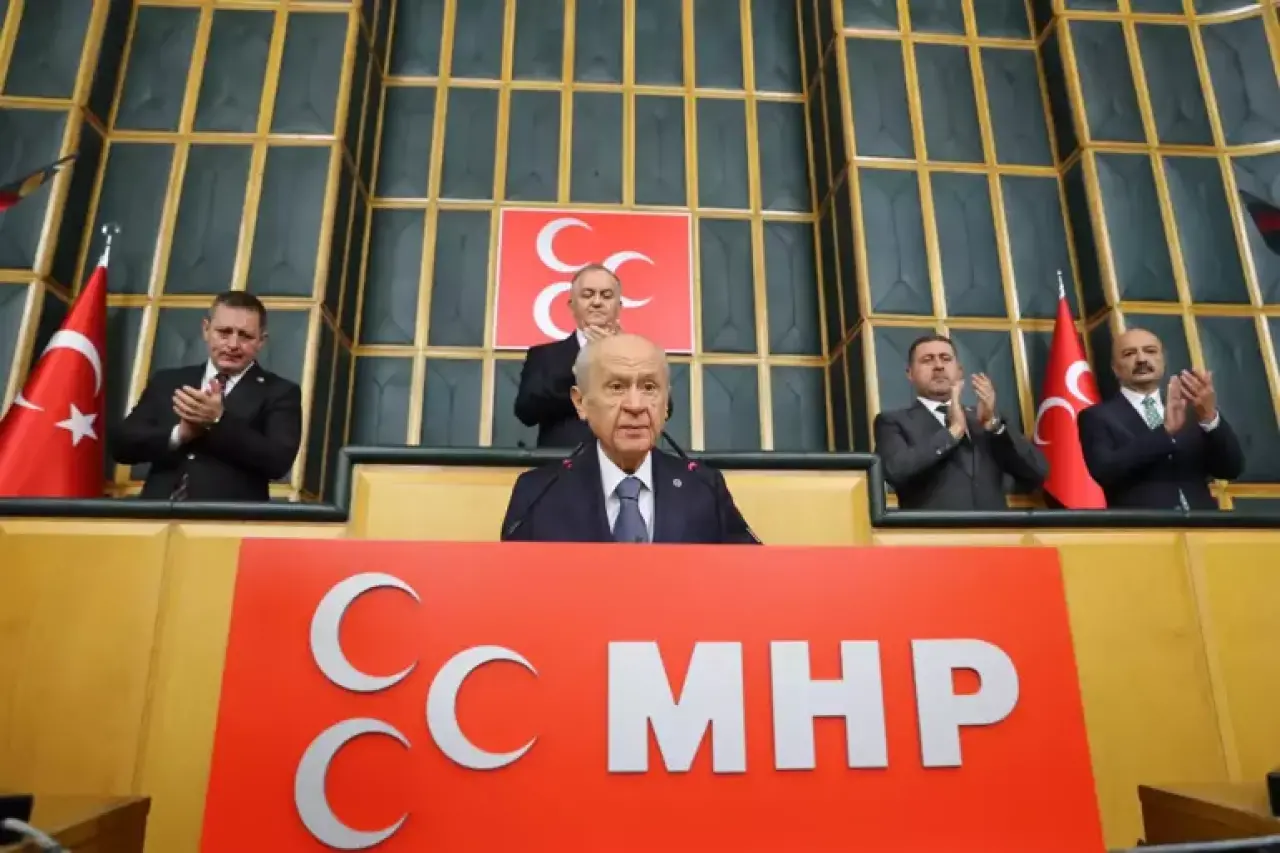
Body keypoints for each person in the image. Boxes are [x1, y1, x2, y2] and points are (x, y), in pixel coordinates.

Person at [500, 332, 757, 544]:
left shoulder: (705, 488)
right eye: (616, 387)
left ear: (665, 403)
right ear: (581, 402)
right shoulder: (537, 494)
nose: (635, 405)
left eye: (649, 388)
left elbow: (749, 574)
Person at [111, 291, 302, 501]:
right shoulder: (168, 381)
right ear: (206, 329)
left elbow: (278, 462)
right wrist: (179, 434)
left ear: (261, 341)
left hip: (228, 517)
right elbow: (121, 446)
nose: (233, 344)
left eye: (245, 336)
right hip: (158, 513)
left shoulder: (280, 392)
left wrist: (219, 420)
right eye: (224, 332)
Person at [873, 334, 1047, 510]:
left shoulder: (985, 420)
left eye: (946, 358)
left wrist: (993, 426)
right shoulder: (892, 422)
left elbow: (1036, 473)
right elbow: (895, 471)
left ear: (959, 371)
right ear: (910, 373)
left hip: (993, 526)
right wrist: (953, 432)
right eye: (927, 360)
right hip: (932, 527)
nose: (939, 366)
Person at [1076, 327, 1244, 509]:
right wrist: (1164, 432)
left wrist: (1210, 418)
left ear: (1163, 360)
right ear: (1115, 368)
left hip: (1202, 521)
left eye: (1150, 351)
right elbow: (1105, 471)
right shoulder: (1097, 417)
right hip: (1146, 524)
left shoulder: (1192, 409)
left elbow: (1231, 469)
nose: (1141, 359)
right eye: (1129, 354)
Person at [514, 263, 622, 448]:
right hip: (563, 460)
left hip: (624, 460)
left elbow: (664, 406)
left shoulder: (640, 354)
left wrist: (618, 355)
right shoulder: (544, 356)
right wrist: (582, 366)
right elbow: (526, 412)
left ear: (619, 307)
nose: (597, 302)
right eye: (587, 295)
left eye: (606, 295)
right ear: (572, 305)